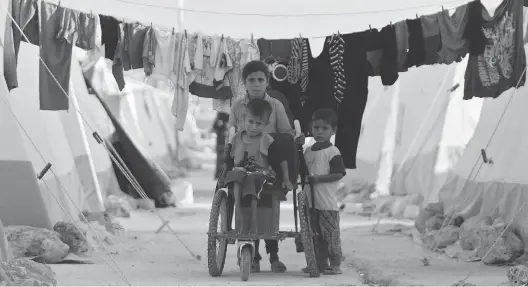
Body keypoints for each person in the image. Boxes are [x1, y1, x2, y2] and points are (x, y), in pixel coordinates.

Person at [222, 60, 304, 273]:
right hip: (244, 158)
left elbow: (287, 132)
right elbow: (231, 132)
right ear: (245, 83)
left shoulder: (276, 105)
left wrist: (295, 138)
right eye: (251, 80)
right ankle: (253, 252)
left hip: (269, 159)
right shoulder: (238, 106)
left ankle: (273, 254)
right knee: (243, 196)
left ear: (267, 82)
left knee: (268, 203)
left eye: (260, 80)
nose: (256, 84)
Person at [224, 99, 293, 235]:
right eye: (250, 122)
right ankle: (238, 212)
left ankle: (254, 217)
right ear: (244, 119)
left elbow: (281, 159)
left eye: (258, 124)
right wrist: (223, 174)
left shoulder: (266, 139)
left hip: (259, 172)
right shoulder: (237, 138)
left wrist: (286, 178)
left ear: (266, 125)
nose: (254, 127)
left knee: (251, 179)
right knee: (236, 176)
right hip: (239, 171)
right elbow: (230, 160)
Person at [301, 108, 346, 275]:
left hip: (326, 204)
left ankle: (335, 264)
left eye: (324, 128)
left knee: (330, 235)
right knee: (313, 235)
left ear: (333, 131)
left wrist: (318, 179)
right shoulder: (307, 151)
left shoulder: (333, 152)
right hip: (310, 202)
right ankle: (316, 263)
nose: (319, 132)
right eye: (316, 128)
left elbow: (338, 174)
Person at [212, 112, 229, 179]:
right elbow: (214, 127)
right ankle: (220, 174)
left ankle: (223, 174)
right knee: (220, 159)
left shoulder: (232, 116)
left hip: (225, 142)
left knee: (224, 158)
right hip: (221, 142)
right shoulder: (220, 116)